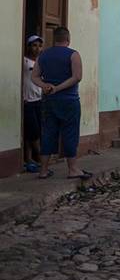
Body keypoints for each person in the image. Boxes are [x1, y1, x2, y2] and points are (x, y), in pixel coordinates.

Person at [31, 27, 91, 180]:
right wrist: (58, 88)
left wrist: (45, 86)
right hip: (69, 101)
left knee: (48, 133)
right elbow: (77, 77)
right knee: (70, 133)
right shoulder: (73, 54)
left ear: (54, 39)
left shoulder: (43, 55)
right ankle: (72, 169)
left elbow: (34, 77)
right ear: (68, 39)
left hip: (49, 101)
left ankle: (43, 170)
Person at [23, 35, 43, 173]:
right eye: (34, 45)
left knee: (33, 132)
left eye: (39, 46)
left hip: (39, 100)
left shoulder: (41, 62)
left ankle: (29, 158)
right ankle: (41, 157)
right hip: (28, 100)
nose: (37, 48)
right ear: (29, 46)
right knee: (33, 131)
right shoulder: (24, 61)